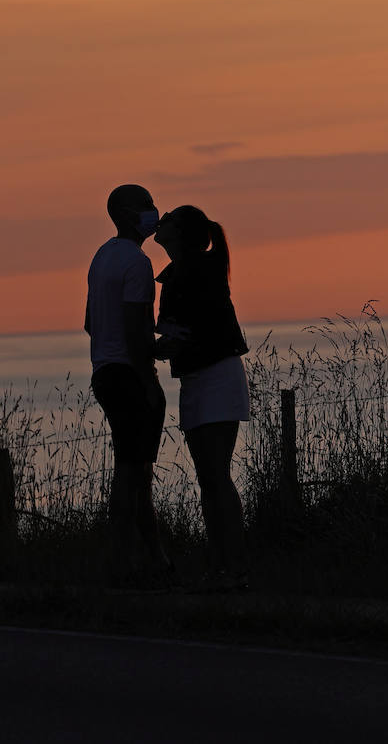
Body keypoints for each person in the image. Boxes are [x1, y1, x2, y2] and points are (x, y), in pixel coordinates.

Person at [153, 205, 251, 591]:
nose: (160, 223)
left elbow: (184, 333)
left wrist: (144, 348)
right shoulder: (187, 271)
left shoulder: (192, 272)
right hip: (200, 376)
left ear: (180, 233)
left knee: (215, 476)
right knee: (210, 478)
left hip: (214, 375)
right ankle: (223, 565)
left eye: (169, 219)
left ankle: (233, 566)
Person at [86, 183, 172, 586]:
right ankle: (119, 564)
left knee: (136, 470)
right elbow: (138, 329)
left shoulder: (102, 257)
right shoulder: (138, 264)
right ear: (123, 214)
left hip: (104, 371)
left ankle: (152, 560)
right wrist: (148, 380)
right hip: (127, 374)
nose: (152, 211)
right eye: (144, 205)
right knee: (130, 472)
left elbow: (91, 322)